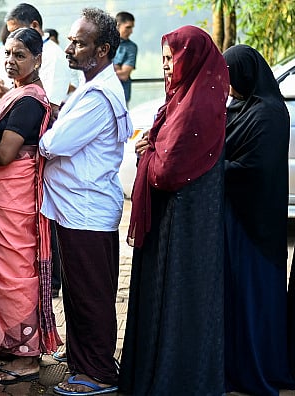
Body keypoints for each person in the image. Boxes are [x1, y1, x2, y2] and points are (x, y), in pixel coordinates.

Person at [120, 25, 229, 395]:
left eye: (171, 59)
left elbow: (166, 170)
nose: (166, 66)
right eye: (164, 59)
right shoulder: (183, 97)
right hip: (176, 218)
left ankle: (173, 379)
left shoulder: (197, 104)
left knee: (178, 298)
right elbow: (163, 149)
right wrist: (152, 146)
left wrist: (150, 151)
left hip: (184, 222)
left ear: (191, 59)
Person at [39, 8, 132, 395]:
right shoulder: (90, 86)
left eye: (80, 42)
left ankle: (98, 374)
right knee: (79, 292)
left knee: (91, 296)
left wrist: (46, 135)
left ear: (104, 49)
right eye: (72, 40)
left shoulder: (98, 95)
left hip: (87, 209)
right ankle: (82, 358)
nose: (70, 48)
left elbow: (54, 143)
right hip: (77, 208)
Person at [0, 27, 59, 385]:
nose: (11, 61)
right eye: (8, 54)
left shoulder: (29, 100)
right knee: (2, 269)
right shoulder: (16, 95)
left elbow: (3, 155)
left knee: (16, 270)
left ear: (37, 60)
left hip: (14, 199)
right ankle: (10, 345)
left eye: (20, 55)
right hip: (4, 199)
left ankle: (26, 356)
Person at [222, 44, 295, 395]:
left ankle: (261, 368)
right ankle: (237, 365)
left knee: (257, 299)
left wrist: (213, 167)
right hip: (237, 219)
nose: (228, 84)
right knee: (237, 300)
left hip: (258, 224)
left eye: (232, 77)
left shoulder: (269, 112)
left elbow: (256, 169)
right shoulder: (239, 106)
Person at [0, 3, 70, 119]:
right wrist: (8, 93)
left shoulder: (53, 55)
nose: (13, 37)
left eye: (17, 31)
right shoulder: (22, 49)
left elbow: (48, 106)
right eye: (10, 33)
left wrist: (9, 96)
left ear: (34, 25)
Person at [113, 12, 137, 105]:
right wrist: (116, 67)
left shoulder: (131, 47)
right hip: (102, 94)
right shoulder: (105, 44)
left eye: (132, 28)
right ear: (118, 25)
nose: (131, 31)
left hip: (121, 97)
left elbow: (124, 75)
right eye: (128, 27)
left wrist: (108, 67)